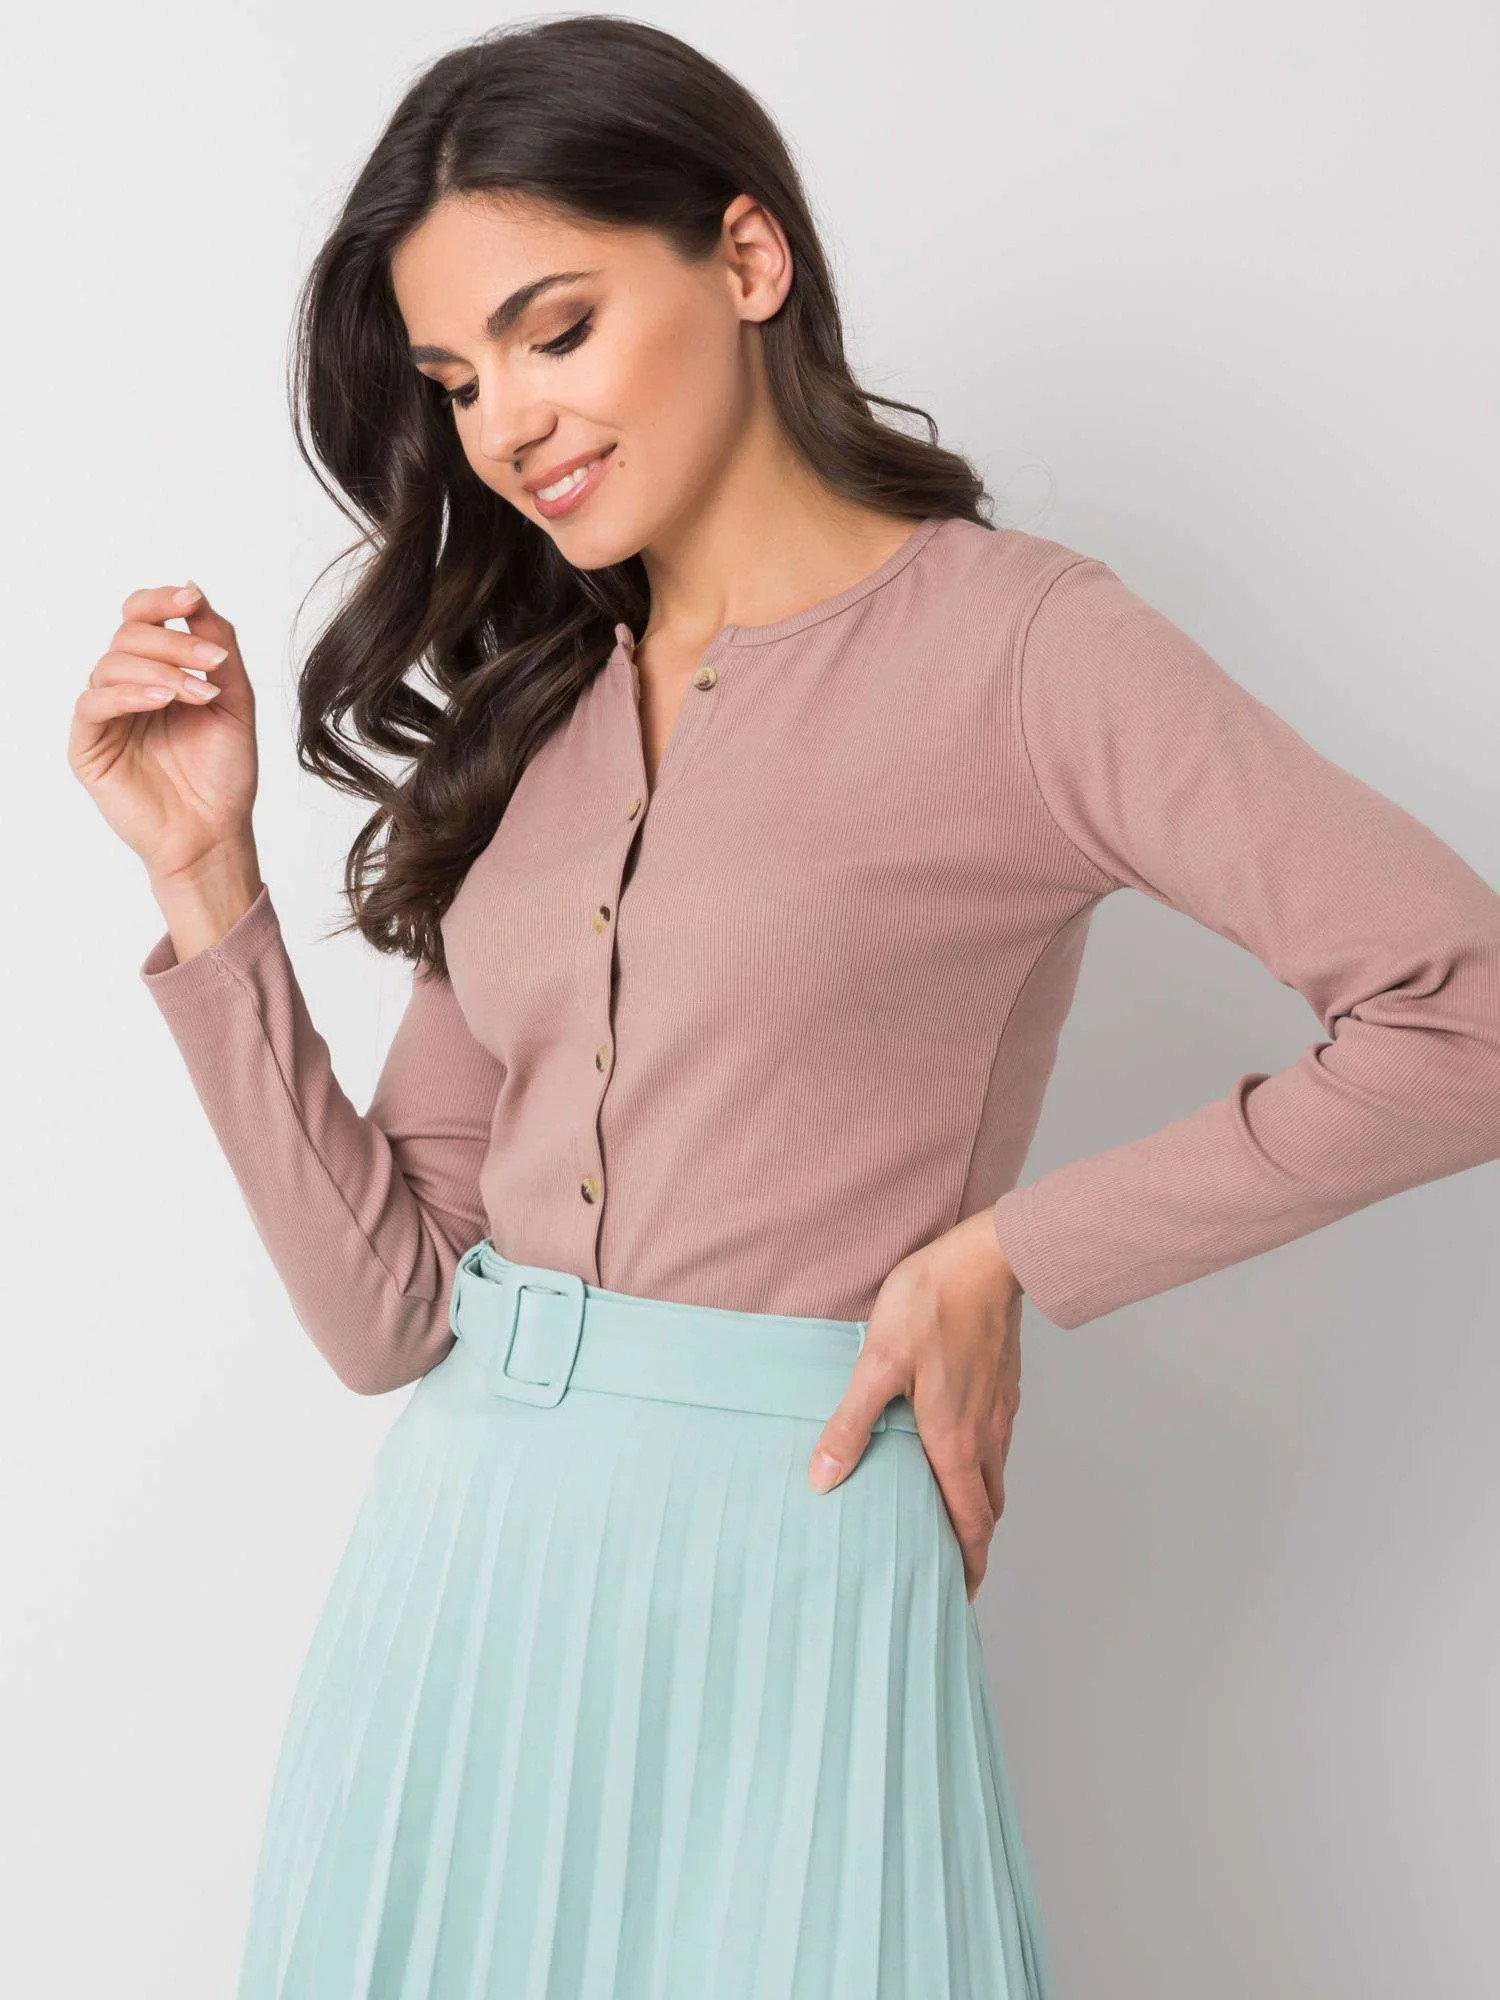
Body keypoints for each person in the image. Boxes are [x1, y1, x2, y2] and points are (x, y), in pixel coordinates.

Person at [67, 17, 1500, 2000]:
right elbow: (389, 1314)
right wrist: (203, 880)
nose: (507, 424)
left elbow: (1461, 1011)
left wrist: (1010, 1254)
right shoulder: (537, 714)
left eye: (555, 330)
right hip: (453, 1588)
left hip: (793, 1565)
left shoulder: (1025, 649)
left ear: (748, 258)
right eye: (459, 382)